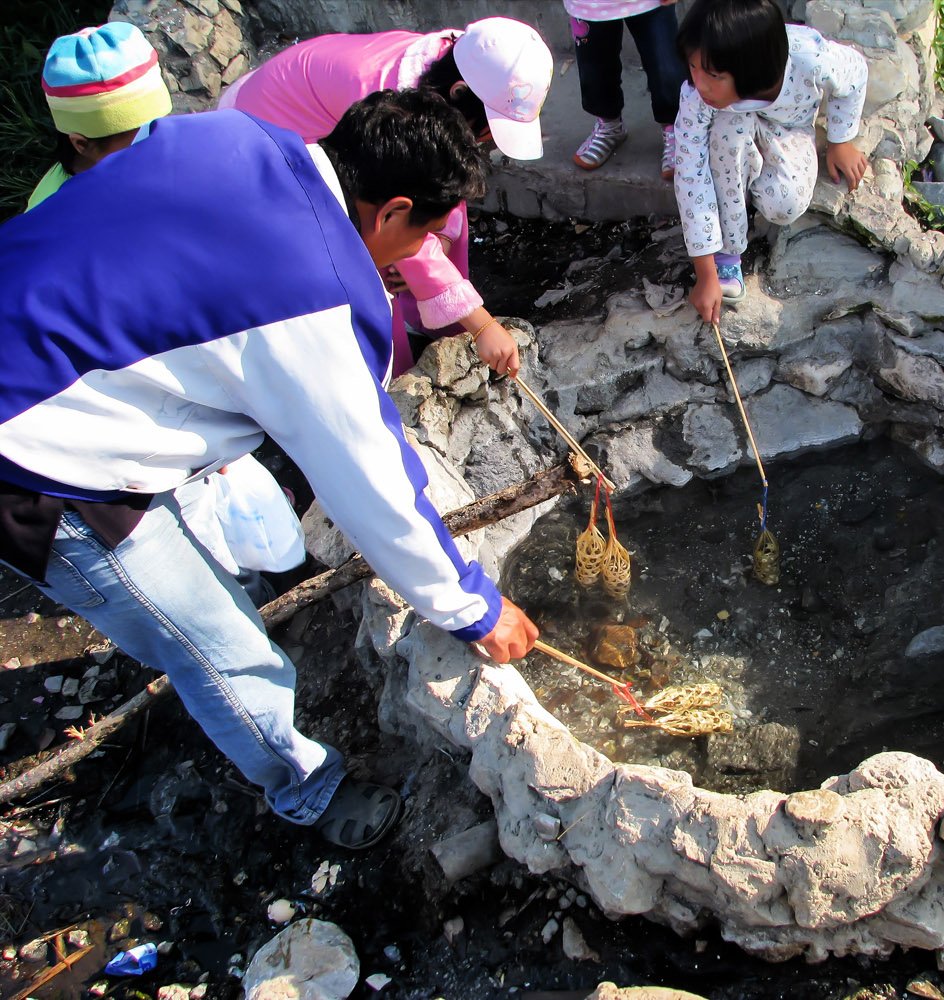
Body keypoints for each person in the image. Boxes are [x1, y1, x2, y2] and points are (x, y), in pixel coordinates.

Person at [0, 88, 540, 850]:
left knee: (209, 570)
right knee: (217, 645)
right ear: (390, 210)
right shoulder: (313, 295)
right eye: (418, 235)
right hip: (38, 459)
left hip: (41, 338)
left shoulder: (234, 135)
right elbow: (372, 485)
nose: (409, 255)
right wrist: (472, 608)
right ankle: (304, 787)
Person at [29, 21, 300, 607]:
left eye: (160, 130)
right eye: (133, 139)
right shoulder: (53, 218)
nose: (154, 150)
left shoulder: (167, 165)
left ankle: (257, 587)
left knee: (234, 509)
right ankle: (239, 602)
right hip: (134, 422)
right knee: (195, 535)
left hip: (197, 397)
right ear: (80, 143)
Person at [220, 18, 554, 378]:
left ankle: (429, 319)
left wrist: (437, 241)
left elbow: (419, 208)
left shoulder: (446, 65)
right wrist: (482, 324)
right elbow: (398, 225)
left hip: (294, 121)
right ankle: (392, 370)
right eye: (487, 130)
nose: (486, 142)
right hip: (264, 134)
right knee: (371, 270)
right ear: (458, 93)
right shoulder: (385, 110)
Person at [674, 0, 869, 323]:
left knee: (785, 203)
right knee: (727, 131)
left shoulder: (808, 59)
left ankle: (753, 180)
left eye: (713, 74)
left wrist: (840, 140)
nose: (700, 83)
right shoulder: (698, 96)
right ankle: (728, 255)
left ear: (751, 69)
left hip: (789, 127)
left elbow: (856, 71)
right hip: (730, 129)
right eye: (693, 68)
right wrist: (705, 272)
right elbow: (690, 173)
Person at [26, 20, 172, 211]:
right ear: (82, 145)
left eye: (160, 124)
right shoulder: (50, 215)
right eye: (141, 137)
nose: (161, 140)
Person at [564, 0, 688, 179]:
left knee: (665, 63)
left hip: (649, 3)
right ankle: (609, 125)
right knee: (595, 67)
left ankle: (674, 128)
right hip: (589, 5)